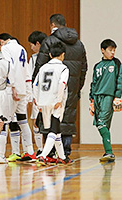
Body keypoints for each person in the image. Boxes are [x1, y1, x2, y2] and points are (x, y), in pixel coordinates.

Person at [32, 14, 88, 161]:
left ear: (52, 25)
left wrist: (37, 94)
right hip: (71, 87)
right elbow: (84, 68)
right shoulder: (79, 44)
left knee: (48, 121)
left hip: (48, 90)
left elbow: (39, 66)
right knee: (67, 119)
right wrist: (77, 88)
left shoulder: (49, 40)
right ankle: (65, 153)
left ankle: (48, 153)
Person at [0, 33, 36, 162]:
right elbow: (26, 70)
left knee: (5, 122)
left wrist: (13, 86)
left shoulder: (5, 48)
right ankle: (30, 151)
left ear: (2, 41)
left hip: (11, 89)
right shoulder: (22, 48)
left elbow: (9, 67)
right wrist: (28, 91)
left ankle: (1, 155)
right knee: (23, 121)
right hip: (23, 88)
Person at [33, 42, 70, 165]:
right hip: (55, 101)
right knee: (53, 130)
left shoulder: (43, 68)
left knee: (56, 129)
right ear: (62, 55)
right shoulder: (63, 68)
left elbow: (35, 84)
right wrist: (59, 100)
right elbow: (62, 84)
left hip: (43, 101)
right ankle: (43, 155)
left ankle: (62, 157)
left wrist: (37, 101)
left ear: (49, 54)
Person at [89, 39, 122, 162]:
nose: (112, 52)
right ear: (103, 50)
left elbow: (120, 80)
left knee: (101, 123)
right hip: (97, 97)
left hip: (108, 97)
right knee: (103, 126)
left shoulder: (116, 63)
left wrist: (117, 97)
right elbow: (93, 83)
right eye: (110, 50)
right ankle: (107, 152)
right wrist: (91, 100)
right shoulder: (97, 66)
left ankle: (109, 152)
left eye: (114, 50)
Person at [27, 31, 47, 156]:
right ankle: (40, 149)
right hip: (38, 94)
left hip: (43, 93)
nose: (31, 48)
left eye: (32, 45)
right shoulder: (33, 58)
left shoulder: (38, 58)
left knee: (47, 122)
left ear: (38, 43)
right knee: (36, 122)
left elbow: (30, 77)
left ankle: (48, 150)